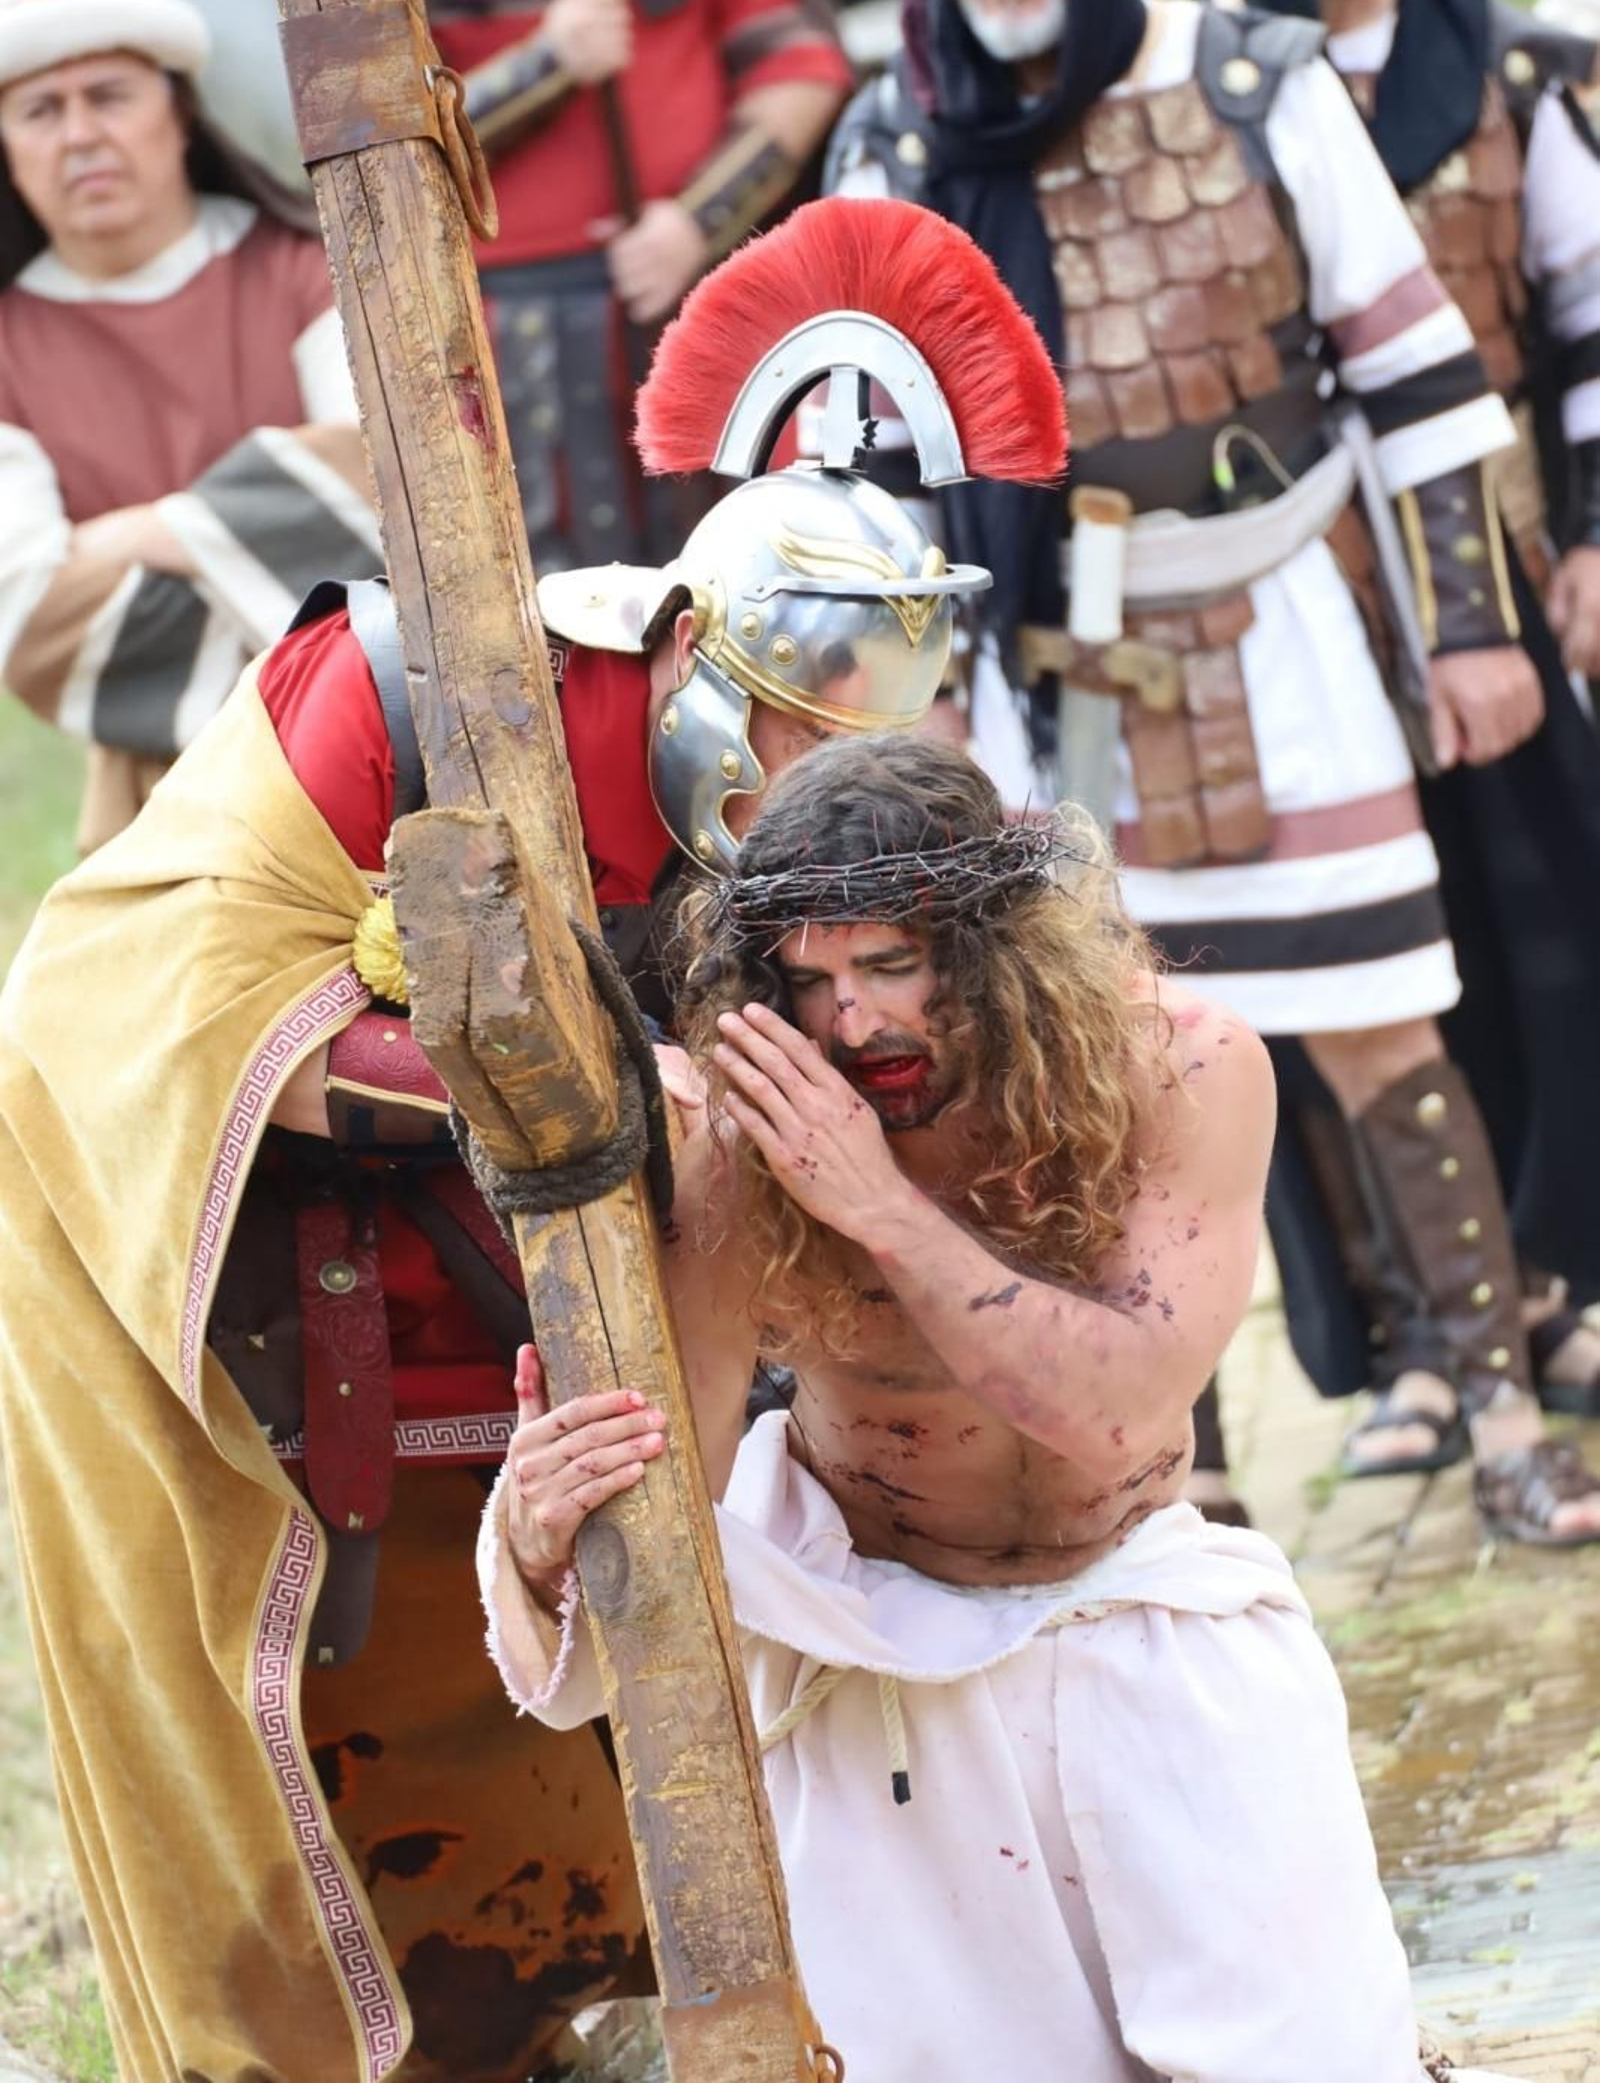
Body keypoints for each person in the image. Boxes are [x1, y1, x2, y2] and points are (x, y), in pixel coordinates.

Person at [0, 197, 1060, 2082]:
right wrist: (622, 1094)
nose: (782, 804)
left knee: (604, 1653)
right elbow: (168, 1004)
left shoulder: (797, 840)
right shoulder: (401, 693)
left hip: (536, 1280)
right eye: (775, 748)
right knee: (285, 1703)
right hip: (229, 1241)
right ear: (691, 662)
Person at [477, 731, 1508, 2083]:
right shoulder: (748, 1151)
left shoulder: (1179, 1071)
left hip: (1150, 1615)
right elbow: (669, 1499)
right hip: (884, 1666)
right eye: (812, 981)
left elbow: (1125, 1411)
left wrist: (885, 1209)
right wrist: (540, 1534)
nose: (853, 1023)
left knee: (1310, 2053)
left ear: (996, 944)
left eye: (893, 964)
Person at [823, 0, 1600, 1547]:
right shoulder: (895, 135)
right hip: (1035, 670)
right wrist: (905, 697)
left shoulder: (1249, 81)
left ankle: (1503, 1412)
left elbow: (1413, 367)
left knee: (1377, 1032)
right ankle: (1178, 1469)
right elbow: (858, 454)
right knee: (1075, 1068)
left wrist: (1468, 629)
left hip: (1286, 623)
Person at [1216, 0, 1600, 1461]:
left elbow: (1585, 328)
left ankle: (1556, 1282)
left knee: (1543, 934)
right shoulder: (1193, 91)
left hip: (1495, 571)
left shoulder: (1507, 71)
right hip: (1286, 595)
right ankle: (1414, 1333)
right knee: (1342, 974)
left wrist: (1589, 540)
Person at [377, 0, 852, 573]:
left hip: (696, 309)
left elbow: (798, 65)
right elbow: (374, 151)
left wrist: (694, 222)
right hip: (490, 350)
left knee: (754, 599)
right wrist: (546, 62)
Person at [0, 0, 379, 852]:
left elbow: (385, 500)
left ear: (177, 114)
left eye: (109, 96)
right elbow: (28, 621)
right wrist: (270, 523)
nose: (81, 133)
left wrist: (148, 533)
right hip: (161, 813)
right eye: (41, 111)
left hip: (378, 761)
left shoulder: (307, 270)